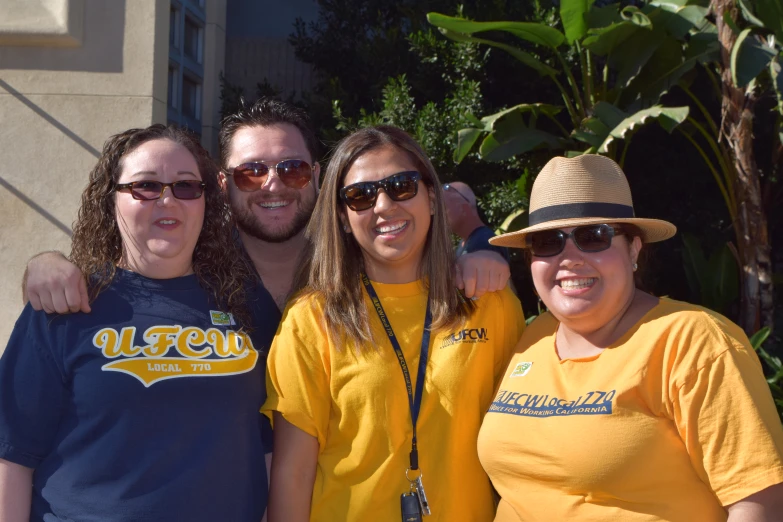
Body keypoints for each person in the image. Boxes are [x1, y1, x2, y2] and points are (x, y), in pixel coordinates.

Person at [479, 154, 783, 521]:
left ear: (634, 249)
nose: (569, 257)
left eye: (593, 237)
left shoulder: (694, 343)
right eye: (548, 242)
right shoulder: (534, 336)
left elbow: (759, 501)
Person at [0, 125, 278, 521]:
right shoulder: (66, 305)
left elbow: (265, 446)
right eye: (145, 186)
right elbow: (11, 455)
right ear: (111, 201)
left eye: (185, 186)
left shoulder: (246, 306)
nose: (167, 200)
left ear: (207, 201)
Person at [23, 100, 511, 314]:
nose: (273, 185)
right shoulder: (190, 268)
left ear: (318, 177)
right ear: (222, 183)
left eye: (293, 169)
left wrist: (477, 258)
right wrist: (45, 263)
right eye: (251, 171)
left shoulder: (360, 258)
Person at [262, 126, 525, 522]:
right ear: (344, 218)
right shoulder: (310, 319)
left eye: (401, 185)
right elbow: (292, 473)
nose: (383, 205)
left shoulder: (490, 303)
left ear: (432, 198)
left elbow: (523, 446)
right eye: (361, 196)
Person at [443, 181, 508, 261]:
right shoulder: (467, 242)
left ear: (464, 207)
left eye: (444, 208)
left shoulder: (483, 243)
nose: (440, 215)